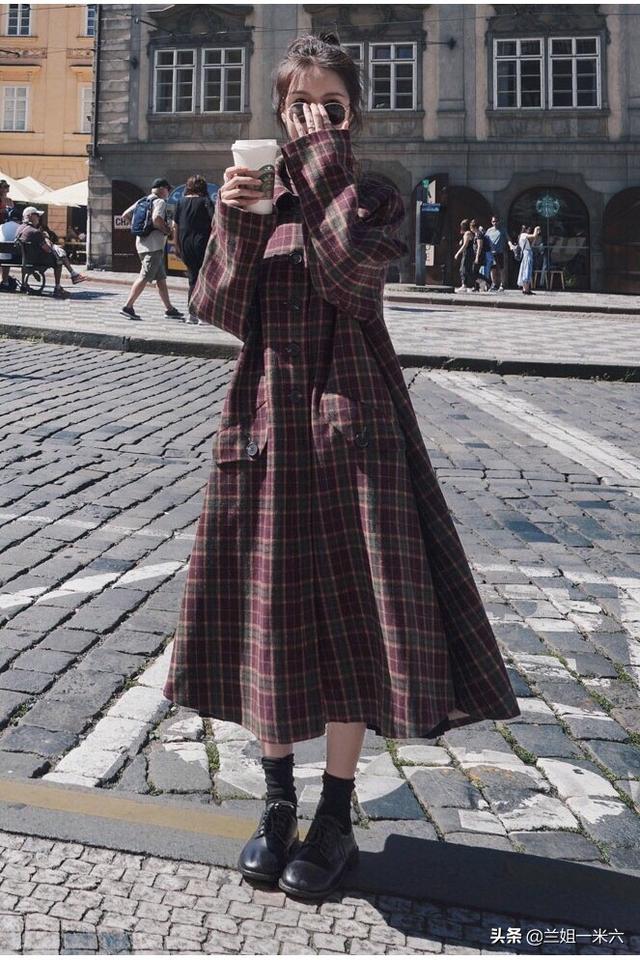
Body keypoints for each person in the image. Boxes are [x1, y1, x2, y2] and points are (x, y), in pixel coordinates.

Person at [163, 32, 519, 901]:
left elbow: (349, 281)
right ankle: (277, 802)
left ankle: (334, 813)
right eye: (299, 106)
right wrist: (236, 222)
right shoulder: (259, 196)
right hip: (264, 422)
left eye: (330, 105)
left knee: (358, 614)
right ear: (278, 113)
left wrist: (322, 168)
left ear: (352, 113)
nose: (313, 119)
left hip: (353, 424)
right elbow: (218, 308)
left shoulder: (375, 196)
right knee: (269, 611)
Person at [120, 178, 184, 321]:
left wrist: (140, 229)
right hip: (153, 247)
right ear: (162, 189)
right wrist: (167, 231)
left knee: (161, 279)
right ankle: (127, 306)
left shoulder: (142, 200)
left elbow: (125, 215)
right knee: (144, 276)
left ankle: (169, 309)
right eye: (168, 189)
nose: (168, 192)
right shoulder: (160, 202)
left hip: (142, 244)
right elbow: (156, 219)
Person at [171, 174, 214, 324]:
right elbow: (215, 222)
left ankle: (192, 314)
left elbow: (175, 226)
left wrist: (176, 245)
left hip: (184, 244)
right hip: (202, 242)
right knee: (204, 278)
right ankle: (202, 314)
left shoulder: (180, 202)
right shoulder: (205, 201)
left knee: (192, 278)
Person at [15, 206, 74, 298]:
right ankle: (57, 287)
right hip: (37, 260)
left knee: (58, 256)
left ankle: (25, 283)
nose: (39, 218)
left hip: (24, 259)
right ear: (30, 216)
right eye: (37, 215)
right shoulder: (35, 232)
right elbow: (47, 249)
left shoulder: (19, 229)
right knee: (58, 260)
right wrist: (46, 239)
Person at [485, 215, 508, 291]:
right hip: (491, 253)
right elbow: (485, 239)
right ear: (491, 222)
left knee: (501, 269)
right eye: (493, 221)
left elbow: (508, 239)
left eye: (496, 221)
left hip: (499, 252)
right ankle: (494, 284)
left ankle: (502, 284)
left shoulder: (502, 230)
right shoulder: (489, 230)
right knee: (492, 269)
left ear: (499, 222)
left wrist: (511, 245)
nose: (495, 223)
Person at [0, 206, 21, 291]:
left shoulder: (1, 226)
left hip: (1, 256)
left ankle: (4, 281)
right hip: (14, 259)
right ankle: (24, 283)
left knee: (4, 256)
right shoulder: (20, 227)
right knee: (8, 256)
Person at [517, 224, 541, 295]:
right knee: (526, 271)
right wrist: (536, 229)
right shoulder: (523, 235)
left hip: (528, 253)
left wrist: (536, 235)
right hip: (526, 253)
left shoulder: (524, 236)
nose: (529, 231)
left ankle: (526, 288)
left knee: (527, 270)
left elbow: (532, 243)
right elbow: (534, 236)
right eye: (528, 229)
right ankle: (526, 289)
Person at [453, 218, 474, 292]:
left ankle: (464, 285)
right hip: (468, 253)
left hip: (468, 253)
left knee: (463, 269)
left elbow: (465, 245)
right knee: (467, 269)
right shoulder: (468, 233)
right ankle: (469, 284)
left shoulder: (467, 233)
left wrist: (457, 253)